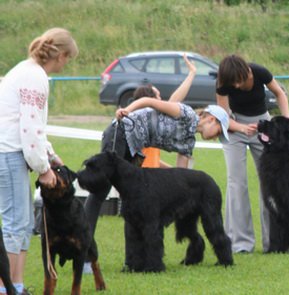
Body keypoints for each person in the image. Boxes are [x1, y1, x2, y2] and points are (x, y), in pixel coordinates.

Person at [84, 54, 229, 270]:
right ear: (210, 118)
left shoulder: (188, 141)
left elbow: (181, 178)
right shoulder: (186, 114)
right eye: (219, 131)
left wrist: (191, 74)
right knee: (100, 193)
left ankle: (132, 262)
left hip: (136, 148)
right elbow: (150, 101)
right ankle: (86, 257)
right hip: (122, 132)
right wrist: (127, 110)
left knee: (133, 204)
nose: (216, 137)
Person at [0, 27, 78, 295]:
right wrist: (44, 169)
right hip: (8, 152)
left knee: (21, 224)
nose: (67, 63)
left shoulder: (26, 70)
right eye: (68, 58)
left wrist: (51, 156)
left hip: (10, 151)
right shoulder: (35, 77)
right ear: (61, 55)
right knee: (14, 224)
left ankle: (16, 285)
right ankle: (5, 287)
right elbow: (30, 129)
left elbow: (33, 128)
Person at [216, 54, 289, 253]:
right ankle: (240, 244)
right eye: (233, 84)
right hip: (234, 128)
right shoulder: (223, 82)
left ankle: (273, 242)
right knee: (236, 183)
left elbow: (280, 94)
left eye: (239, 81)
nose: (237, 87)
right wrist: (240, 128)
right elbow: (224, 117)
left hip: (262, 124)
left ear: (246, 72)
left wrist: (287, 121)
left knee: (271, 183)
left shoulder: (259, 72)